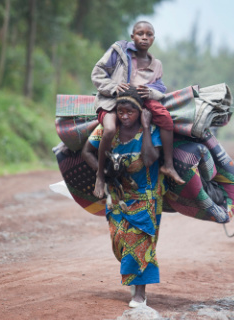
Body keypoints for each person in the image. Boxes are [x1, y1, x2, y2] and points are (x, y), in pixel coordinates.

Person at [82, 86, 166, 308]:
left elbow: (149, 159)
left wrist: (147, 127)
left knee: (139, 242)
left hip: (146, 198)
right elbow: (87, 151)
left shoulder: (151, 130)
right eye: (120, 112)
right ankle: (133, 275)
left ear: (140, 112)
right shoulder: (108, 131)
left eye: (130, 112)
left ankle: (139, 293)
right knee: (120, 242)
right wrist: (106, 173)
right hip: (117, 197)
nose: (125, 117)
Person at [91, 20, 184, 200]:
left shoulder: (156, 64)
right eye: (140, 33)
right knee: (109, 129)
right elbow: (97, 73)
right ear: (132, 37)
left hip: (140, 102)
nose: (144, 37)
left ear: (153, 39)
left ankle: (169, 165)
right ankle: (100, 176)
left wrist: (150, 91)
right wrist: (113, 87)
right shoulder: (118, 51)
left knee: (165, 118)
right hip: (113, 100)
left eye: (149, 35)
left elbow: (160, 87)